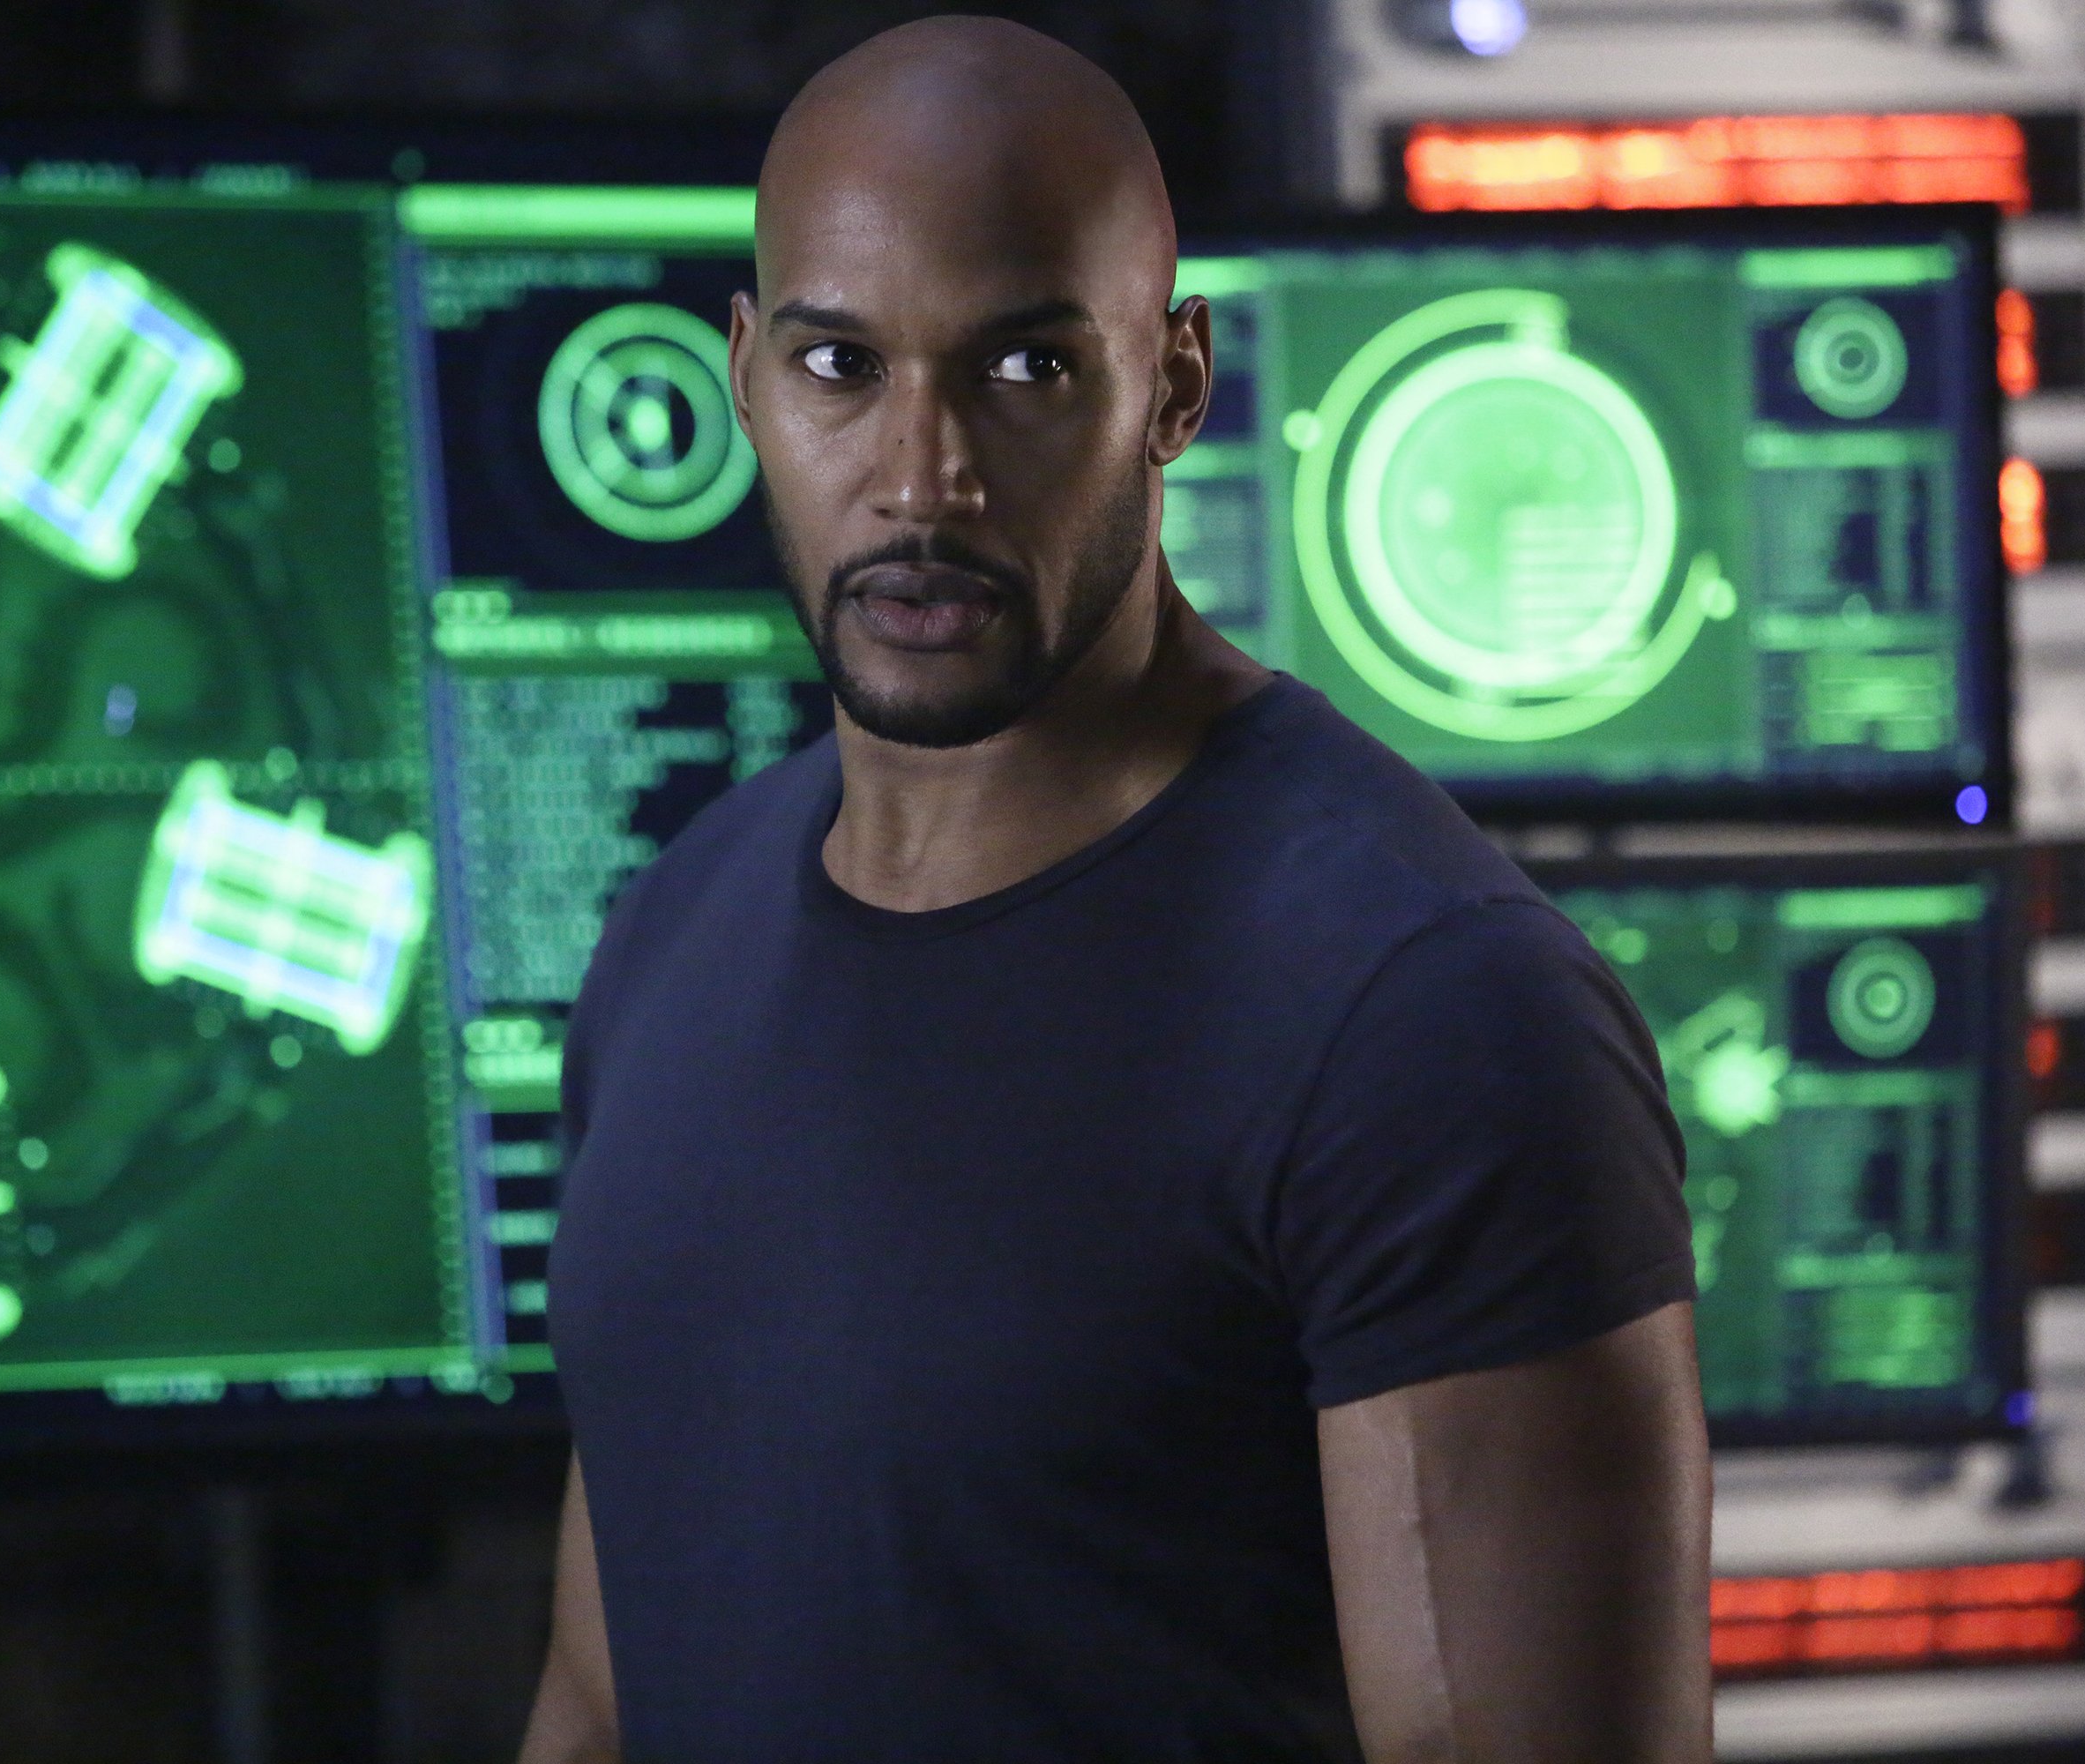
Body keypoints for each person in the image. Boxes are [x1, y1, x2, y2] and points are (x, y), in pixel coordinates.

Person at [519, 16, 1712, 1762]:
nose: (920, 478)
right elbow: (603, 1694)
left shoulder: (1433, 1015)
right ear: (748, 380)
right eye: (844, 366)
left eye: (1024, 368)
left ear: (1175, 385)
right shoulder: (675, 929)